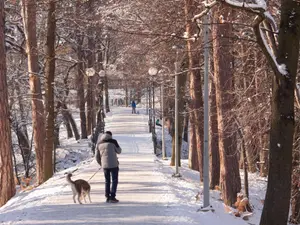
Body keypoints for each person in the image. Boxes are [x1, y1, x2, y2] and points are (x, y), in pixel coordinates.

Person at [95, 131, 122, 203]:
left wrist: (101, 164)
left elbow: (96, 156)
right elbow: (119, 151)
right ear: (110, 135)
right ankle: (112, 196)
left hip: (105, 166)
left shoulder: (99, 143)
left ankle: (107, 196)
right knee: (114, 180)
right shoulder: (113, 142)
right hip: (114, 165)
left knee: (107, 181)